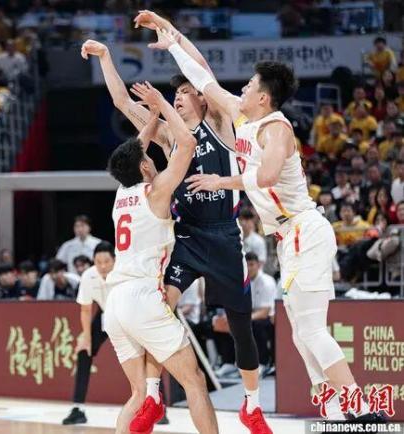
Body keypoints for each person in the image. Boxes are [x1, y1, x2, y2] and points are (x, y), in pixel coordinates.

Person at [169, 26, 379, 422]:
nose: (242, 88)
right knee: (301, 333)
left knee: (311, 330)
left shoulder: (276, 129)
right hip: (288, 237)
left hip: (305, 230)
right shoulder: (242, 116)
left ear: (263, 97)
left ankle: (361, 409)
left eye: (249, 85)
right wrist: (172, 37)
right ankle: (336, 412)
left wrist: (220, 181)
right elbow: (203, 76)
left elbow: (266, 176)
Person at [127, 10, 270, 431]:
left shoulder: (222, 123)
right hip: (187, 236)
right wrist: (106, 63)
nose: (179, 97)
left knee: (241, 327)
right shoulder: (172, 136)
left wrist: (168, 30)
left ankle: (252, 405)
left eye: (186, 92)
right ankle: (152, 397)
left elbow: (200, 67)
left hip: (224, 237)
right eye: (176, 93)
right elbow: (125, 104)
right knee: (159, 310)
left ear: (203, 99)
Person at [102, 85, 217, 434]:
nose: (152, 158)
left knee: (138, 394)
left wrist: (150, 118)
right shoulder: (157, 191)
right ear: (144, 166)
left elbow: (133, 151)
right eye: (148, 158)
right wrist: (163, 106)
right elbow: (188, 146)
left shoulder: (121, 193)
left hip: (114, 303)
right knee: (195, 381)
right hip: (142, 297)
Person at [62, 241, 116, 425]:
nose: (103, 266)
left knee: (146, 355)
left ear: (115, 260)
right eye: (98, 262)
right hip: (104, 314)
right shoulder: (89, 275)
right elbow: (85, 309)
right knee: (84, 351)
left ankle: (159, 406)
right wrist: (86, 337)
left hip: (127, 316)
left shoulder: (125, 272)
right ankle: (78, 409)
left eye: (107, 261)